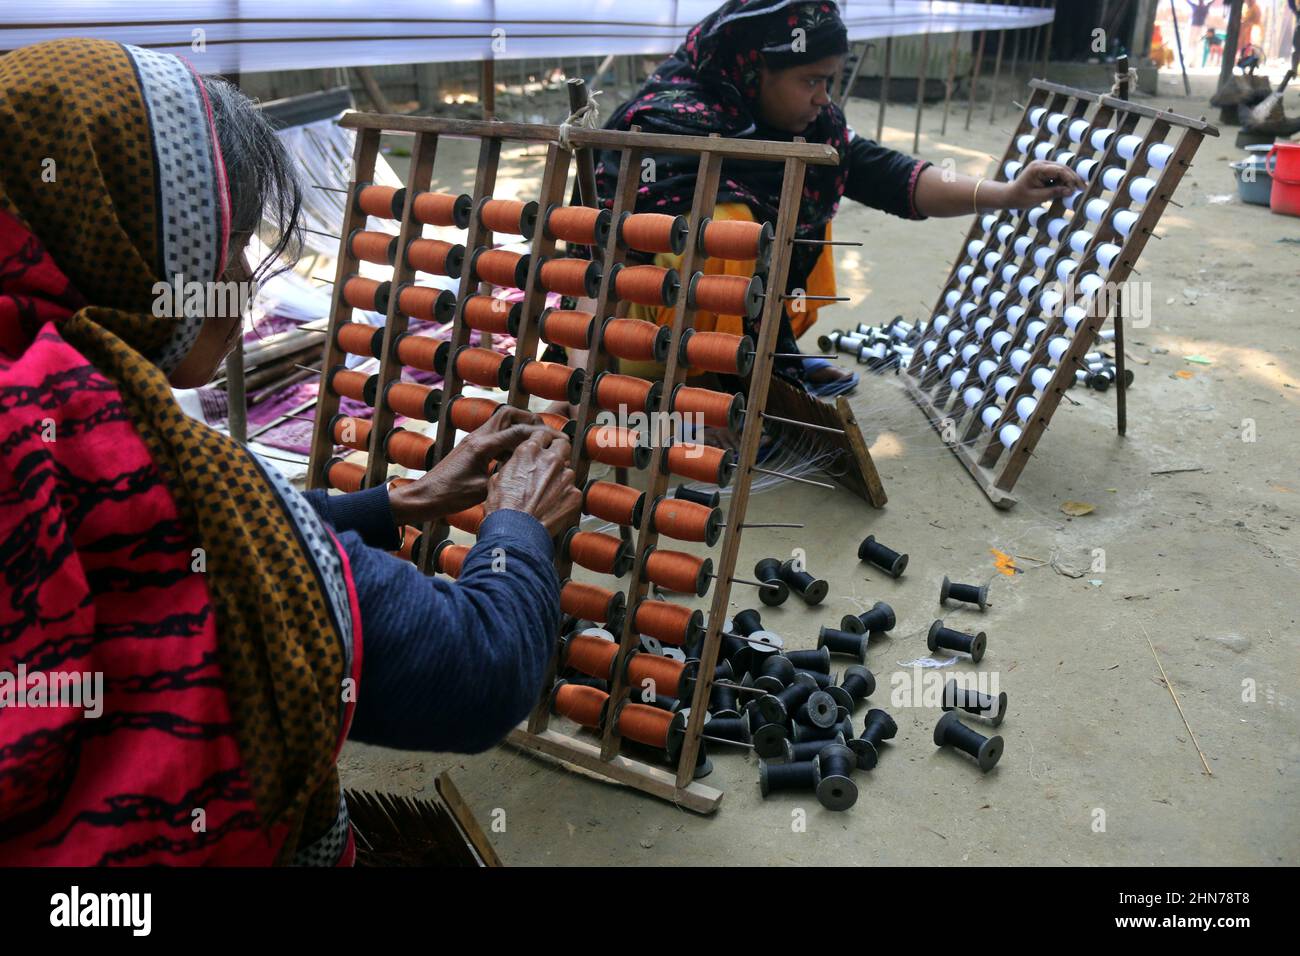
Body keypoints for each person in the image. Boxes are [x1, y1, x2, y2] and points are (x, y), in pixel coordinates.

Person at [0, 38, 581, 865]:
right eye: (221, 245)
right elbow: (481, 672)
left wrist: (396, 503)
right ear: (119, 239)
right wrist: (518, 528)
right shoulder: (160, 475)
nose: (244, 284)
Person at [591, 0, 1085, 398]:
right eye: (811, 80)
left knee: (809, 185)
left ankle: (764, 355)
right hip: (639, 343)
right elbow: (596, 260)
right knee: (731, 224)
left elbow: (890, 176)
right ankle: (704, 390)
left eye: (829, 80)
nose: (824, 97)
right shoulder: (662, 125)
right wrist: (589, 372)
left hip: (710, 322)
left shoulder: (811, 129)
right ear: (753, 69)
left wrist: (1009, 193)